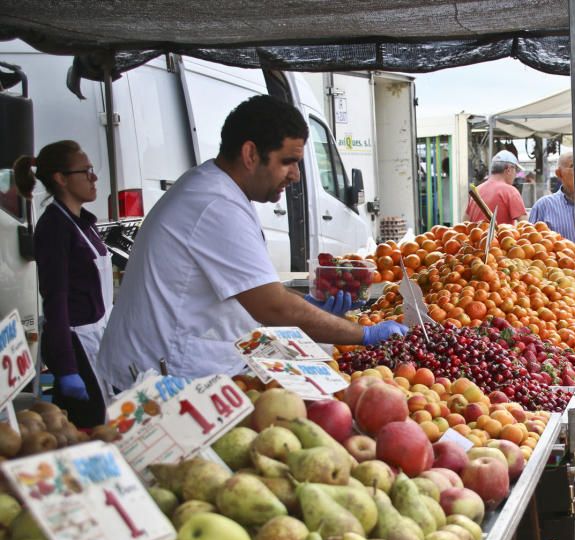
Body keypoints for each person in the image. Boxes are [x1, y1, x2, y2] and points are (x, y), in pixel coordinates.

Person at [97, 96, 406, 389]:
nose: (296, 175)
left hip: (175, 368)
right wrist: (365, 334)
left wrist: (307, 309)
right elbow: (272, 306)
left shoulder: (217, 190)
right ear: (250, 154)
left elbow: (254, 290)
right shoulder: (216, 205)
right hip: (159, 380)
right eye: (289, 161)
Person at [12, 141, 111, 426]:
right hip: (78, 345)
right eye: (87, 171)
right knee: (91, 425)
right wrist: (67, 367)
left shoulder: (84, 223)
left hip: (100, 338)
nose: (94, 177)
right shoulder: (54, 227)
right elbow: (55, 300)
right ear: (61, 178)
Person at [462, 150, 528, 224]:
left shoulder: (477, 190)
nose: (516, 174)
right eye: (516, 170)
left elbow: (465, 223)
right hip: (500, 236)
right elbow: (526, 227)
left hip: (476, 235)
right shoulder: (510, 191)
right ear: (509, 170)